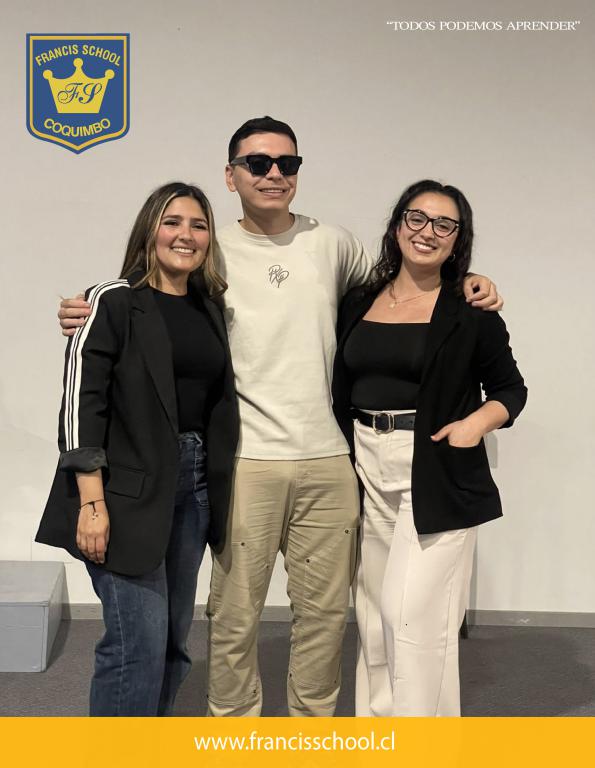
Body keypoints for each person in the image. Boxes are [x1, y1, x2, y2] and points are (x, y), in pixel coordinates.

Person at [58, 118, 503, 718]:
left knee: (325, 617)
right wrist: (88, 308)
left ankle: (309, 737)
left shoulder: (334, 243)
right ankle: (235, 737)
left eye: (286, 164)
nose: (273, 174)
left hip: (332, 463)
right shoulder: (210, 251)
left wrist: (469, 280)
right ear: (231, 175)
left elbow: (400, 286)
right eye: (258, 163)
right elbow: (154, 302)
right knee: (233, 617)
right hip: (246, 462)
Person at [37, 182, 239, 716]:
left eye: (199, 225)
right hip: (121, 493)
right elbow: (81, 405)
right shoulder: (112, 300)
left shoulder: (209, 307)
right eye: (172, 222)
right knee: (136, 649)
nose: (186, 235)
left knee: (172, 646)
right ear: (150, 229)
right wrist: (91, 503)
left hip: (192, 488)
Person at [331, 179, 527, 717]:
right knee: (374, 618)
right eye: (417, 218)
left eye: (445, 224)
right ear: (398, 226)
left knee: (413, 619)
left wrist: (475, 425)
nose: (428, 232)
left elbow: (511, 390)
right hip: (365, 465)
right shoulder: (358, 301)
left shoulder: (471, 310)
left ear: (458, 239)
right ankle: (380, 736)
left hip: (435, 468)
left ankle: (420, 744)